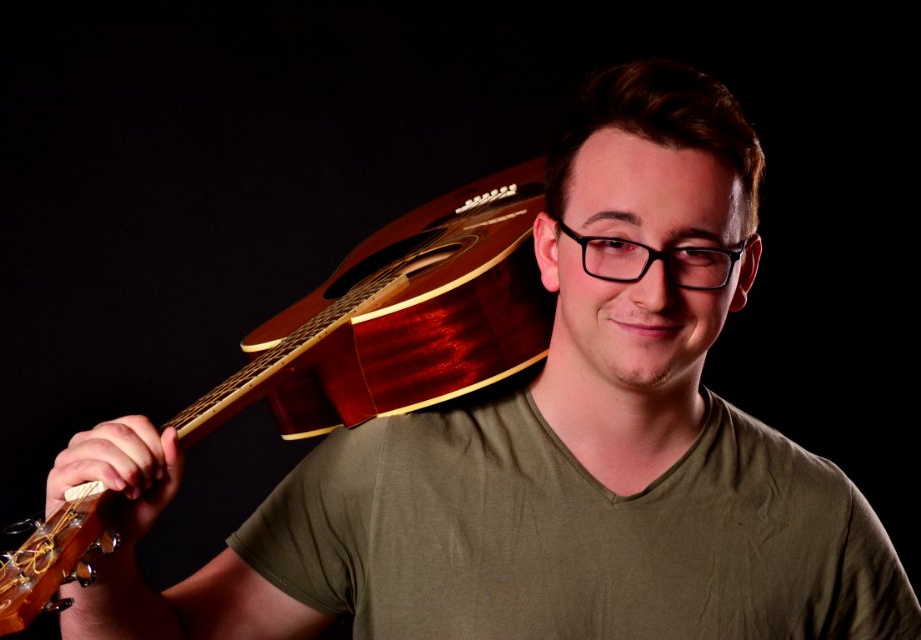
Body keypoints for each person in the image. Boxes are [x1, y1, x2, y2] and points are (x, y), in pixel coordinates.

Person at [45, 58, 921, 639]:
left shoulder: (822, 521)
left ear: (745, 271)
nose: (652, 290)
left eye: (695, 251)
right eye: (612, 241)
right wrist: (94, 564)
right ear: (548, 249)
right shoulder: (387, 463)